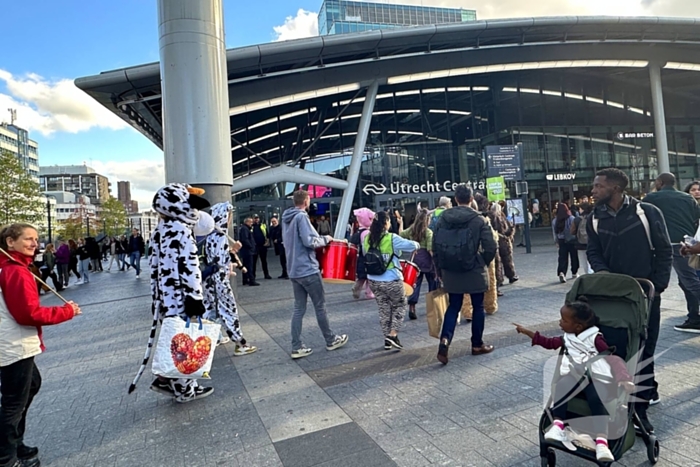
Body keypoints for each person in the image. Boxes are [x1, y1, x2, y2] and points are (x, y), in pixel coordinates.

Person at [586, 168, 672, 433]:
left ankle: (641, 411)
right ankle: (618, 406)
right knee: (614, 349)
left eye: (598, 186)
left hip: (645, 294)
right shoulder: (594, 218)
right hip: (612, 296)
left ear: (615, 188)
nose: (593, 191)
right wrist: (602, 273)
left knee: (644, 350)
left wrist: (657, 286)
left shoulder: (646, 213)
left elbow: (664, 249)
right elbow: (593, 250)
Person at [514, 299, 635, 463]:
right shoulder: (568, 337)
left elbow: (613, 359)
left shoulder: (594, 338)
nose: (560, 322)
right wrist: (528, 332)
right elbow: (549, 343)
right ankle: (558, 426)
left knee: (595, 397)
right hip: (576, 375)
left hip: (596, 376)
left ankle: (601, 442)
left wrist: (624, 378)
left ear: (578, 326)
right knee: (562, 386)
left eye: (564, 320)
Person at [0, 223, 81, 467]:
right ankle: (6, 457)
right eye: (28, 239)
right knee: (14, 402)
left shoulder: (13, 267)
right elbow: (28, 314)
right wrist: (66, 311)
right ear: (10, 242)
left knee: (31, 384)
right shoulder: (15, 271)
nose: (34, 244)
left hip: (14, 343)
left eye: (36, 239)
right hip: (14, 344)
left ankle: (15, 443)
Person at [147, 183, 214, 403]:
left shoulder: (160, 231)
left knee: (174, 339)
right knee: (185, 342)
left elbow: (155, 267)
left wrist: (156, 297)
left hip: (165, 297)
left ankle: (168, 379)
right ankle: (185, 389)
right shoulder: (182, 232)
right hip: (181, 298)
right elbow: (189, 267)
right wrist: (195, 298)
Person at [433, 185, 497, 364]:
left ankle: (445, 341)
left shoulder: (443, 219)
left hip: (451, 270)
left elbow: (435, 246)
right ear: (471, 199)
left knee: (453, 306)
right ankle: (477, 345)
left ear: (455, 199)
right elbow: (491, 246)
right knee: (478, 307)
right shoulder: (479, 220)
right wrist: (481, 261)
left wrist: (440, 268)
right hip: (474, 269)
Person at [282, 190, 348, 359]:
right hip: (308, 269)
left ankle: (296, 346)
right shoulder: (301, 217)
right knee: (320, 306)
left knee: (298, 309)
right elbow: (310, 241)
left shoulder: (286, 218)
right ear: (306, 201)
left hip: (294, 270)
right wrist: (327, 239)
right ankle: (331, 340)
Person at [645, 173, 700, 334]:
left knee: (689, 281)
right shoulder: (688, 199)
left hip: (664, 243)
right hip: (686, 243)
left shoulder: (651, 198)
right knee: (687, 280)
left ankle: (695, 318)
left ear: (659, 182)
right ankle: (694, 317)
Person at [202, 202, 257, 356]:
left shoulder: (210, 233)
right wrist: (232, 254)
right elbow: (219, 261)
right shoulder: (219, 236)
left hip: (211, 280)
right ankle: (240, 343)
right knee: (228, 309)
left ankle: (208, 340)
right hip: (218, 280)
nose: (230, 218)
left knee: (211, 310)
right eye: (229, 215)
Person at [363, 211, 419, 349]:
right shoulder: (391, 238)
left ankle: (387, 340)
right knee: (399, 305)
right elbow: (412, 245)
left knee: (384, 309)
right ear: (385, 223)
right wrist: (417, 245)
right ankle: (393, 335)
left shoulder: (367, 238)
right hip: (391, 279)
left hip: (373, 280)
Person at [400, 208, 436, 320]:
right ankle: (433, 308)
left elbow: (401, 234)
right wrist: (437, 265)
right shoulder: (429, 232)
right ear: (427, 220)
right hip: (427, 261)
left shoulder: (411, 230)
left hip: (415, 260)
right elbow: (431, 250)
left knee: (415, 284)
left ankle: (412, 307)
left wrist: (400, 223)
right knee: (433, 284)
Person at [350, 207, 375, 300]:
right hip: (366, 257)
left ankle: (357, 288)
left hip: (360, 257)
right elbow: (366, 247)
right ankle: (369, 292)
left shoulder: (358, 231)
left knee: (362, 276)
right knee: (370, 276)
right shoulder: (367, 232)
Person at [552, 203, 579, 283]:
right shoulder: (571, 218)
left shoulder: (555, 220)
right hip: (571, 240)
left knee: (562, 257)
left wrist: (556, 241)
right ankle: (574, 272)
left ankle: (562, 272)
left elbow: (555, 233)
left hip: (561, 240)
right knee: (574, 256)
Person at [571, 203, 593, 274]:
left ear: (583, 209)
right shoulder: (593, 217)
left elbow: (572, 231)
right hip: (593, 242)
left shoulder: (577, 219)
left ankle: (588, 274)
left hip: (581, 243)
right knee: (594, 258)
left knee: (584, 261)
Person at [238, 218, 258, 286]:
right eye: (250, 222)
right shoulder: (245, 229)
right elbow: (245, 239)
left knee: (246, 265)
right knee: (249, 266)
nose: (252, 223)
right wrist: (251, 246)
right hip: (248, 251)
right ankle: (251, 280)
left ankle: (245, 280)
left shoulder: (245, 229)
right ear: (247, 222)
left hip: (246, 251)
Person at [252, 215, 271, 280]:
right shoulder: (251, 226)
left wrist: (267, 242)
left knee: (264, 261)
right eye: (255, 218)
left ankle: (266, 274)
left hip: (263, 246)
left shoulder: (263, 225)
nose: (256, 220)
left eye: (257, 218)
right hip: (255, 247)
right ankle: (253, 276)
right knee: (253, 262)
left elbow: (267, 235)